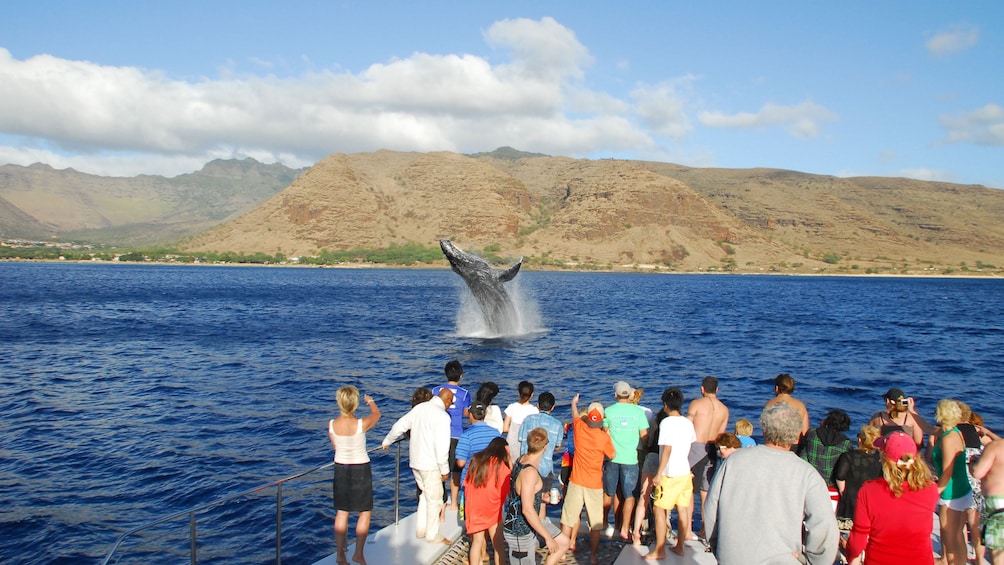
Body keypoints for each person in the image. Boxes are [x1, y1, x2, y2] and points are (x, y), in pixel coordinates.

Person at [704, 402, 839, 565]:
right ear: (797, 435)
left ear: (764, 429)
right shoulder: (807, 474)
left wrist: (721, 549)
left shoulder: (733, 461)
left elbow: (712, 510)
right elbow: (825, 529)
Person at [845, 430, 939, 565]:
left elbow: (858, 542)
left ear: (885, 459)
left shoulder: (869, 491)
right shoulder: (930, 489)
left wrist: (850, 554)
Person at [381, 388, 454, 544]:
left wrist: (387, 441)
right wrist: (445, 469)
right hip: (431, 464)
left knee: (423, 495)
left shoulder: (419, 408)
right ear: (447, 400)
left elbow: (399, 426)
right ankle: (432, 534)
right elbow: (442, 446)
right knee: (435, 498)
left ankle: (421, 529)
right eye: (451, 402)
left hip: (415, 462)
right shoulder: (442, 416)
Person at [327, 386, 381, 565]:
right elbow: (377, 415)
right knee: (364, 512)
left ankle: (340, 555)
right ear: (355, 403)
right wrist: (371, 402)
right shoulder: (361, 424)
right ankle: (358, 553)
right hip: (361, 469)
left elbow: (336, 446)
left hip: (341, 468)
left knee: (342, 512)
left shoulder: (332, 425)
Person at [560, 395, 615, 565]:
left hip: (576, 481)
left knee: (568, 519)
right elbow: (612, 454)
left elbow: (575, 415)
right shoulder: (603, 437)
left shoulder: (579, 428)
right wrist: (608, 434)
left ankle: (562, 553)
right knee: (595, 525)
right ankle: (593, 557)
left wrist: (573, 403)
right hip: (594, 484)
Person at [503, 427, 572, 565]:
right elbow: (527, 509)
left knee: (564, 543)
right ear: (546, 446)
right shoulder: (530, 473)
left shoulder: (522, 459)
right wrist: (548, 538)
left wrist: (542, 496)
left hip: (533, 522)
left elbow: (522, 491)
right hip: (520, 530)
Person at [644, 386, 696, 560]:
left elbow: (667, 449)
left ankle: (659, 550)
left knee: (659, 510)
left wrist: (658, 474)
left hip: (670, 473)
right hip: (684, 471)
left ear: (665, 405)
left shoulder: (666, 423)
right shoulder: (688, 423)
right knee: (683, 510)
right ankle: (680, 546)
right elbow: (689, 446)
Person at [603, 380, 649, 541]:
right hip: (631, 459)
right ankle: (624, 528)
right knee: (630, 495)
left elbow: (604, 432)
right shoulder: (638, 412)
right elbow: (644, 435)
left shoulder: (608, 411)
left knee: (610, 491)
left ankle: (603, 523)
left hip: (612, 457)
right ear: (629, 395)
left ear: (615, 395)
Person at [686, 375, 729, 538]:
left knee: (688, 489)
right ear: (717, 389)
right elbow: (722, 435)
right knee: (706, 492)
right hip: (712, 448)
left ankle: (687, 529)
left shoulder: (696, 404)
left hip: (695, 448)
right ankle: (706, 530)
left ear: (702, 389)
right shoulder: (724, 409)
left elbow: (687, 426)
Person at [933, 398, 974, 565]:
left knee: (948, 537)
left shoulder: (947, 439)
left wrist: (933, 493)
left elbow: (947, 471)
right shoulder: (954, 432)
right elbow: (928, 428)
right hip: (963, 489)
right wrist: (913, 414)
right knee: (958, 535)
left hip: (950, 493)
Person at [463, 437, 511, 565]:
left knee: (476, 543)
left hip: (474, 506)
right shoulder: (502, 466)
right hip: (492, 509)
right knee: (498, 544)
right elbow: (507, 490)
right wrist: (510, 462)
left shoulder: (476, 459)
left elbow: (467, 484)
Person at [433, 359, 471, 510]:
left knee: (439, 470)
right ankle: (454, 503)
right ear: (461, 376)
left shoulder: (436, 391)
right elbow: (466, 413)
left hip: (438, 435)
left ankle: (440, 503)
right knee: (456, 471)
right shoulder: (464, 394)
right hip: (456, 435)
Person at [518, 391, 564, 513]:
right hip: (545, 468)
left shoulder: (528, 419)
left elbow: (521, 439)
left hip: (524, 465)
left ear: (538, 405)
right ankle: (541, 525)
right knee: (543, 502)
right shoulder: (557, 424)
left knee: (525, 500)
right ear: (553, 407)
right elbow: (558, 446)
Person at [799, 408, 854, 509]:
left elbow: (803, 455)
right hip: (831, 486)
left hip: (809, 481)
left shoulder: (812, 434)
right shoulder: (846, 444)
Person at [631, 405, 668, 546]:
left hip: (651, 456)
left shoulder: (655, 423)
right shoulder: (672, 426)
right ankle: (662, 531)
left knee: (643, 496)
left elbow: (650, 440)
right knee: (662, 501)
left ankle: (636, 532)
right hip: (664, 461)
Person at [833, 425, 883, 527]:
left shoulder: (848, 456)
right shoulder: (880, 460)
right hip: (871, 499)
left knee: (846, 529)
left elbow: (840, 476)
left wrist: (843, 491)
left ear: (860, 440)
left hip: (850, 497)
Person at [971, 427, 1004, 565]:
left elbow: (978, 473)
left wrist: (973, 463)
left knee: (997, 551)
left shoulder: (995, 447)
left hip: (996, 505)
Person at [455, 401, 501, 492]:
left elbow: (461, 463)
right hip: (491, 480)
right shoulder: (496, 433)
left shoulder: (466, 435)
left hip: (471, 481)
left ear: (470, 415)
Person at [868, 387, 932, 449]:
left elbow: (868, 441)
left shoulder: (877, 417)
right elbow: (919, 444)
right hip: (906, 457)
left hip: (884, 457)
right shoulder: (912, 418)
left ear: (887, 401)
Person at [764, 373, 810, 441]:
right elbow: (805, 432)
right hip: (795, 444)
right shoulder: (800, 406)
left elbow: (765, 429)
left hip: (774, 443)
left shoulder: (769, 403)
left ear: (777, 388)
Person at [504, 380, 539, 465]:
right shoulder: (534, 410)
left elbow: (505, 429)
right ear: (532, 394)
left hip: (511, 444)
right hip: (526, 445)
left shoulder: (512, 407)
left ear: (518, 393)